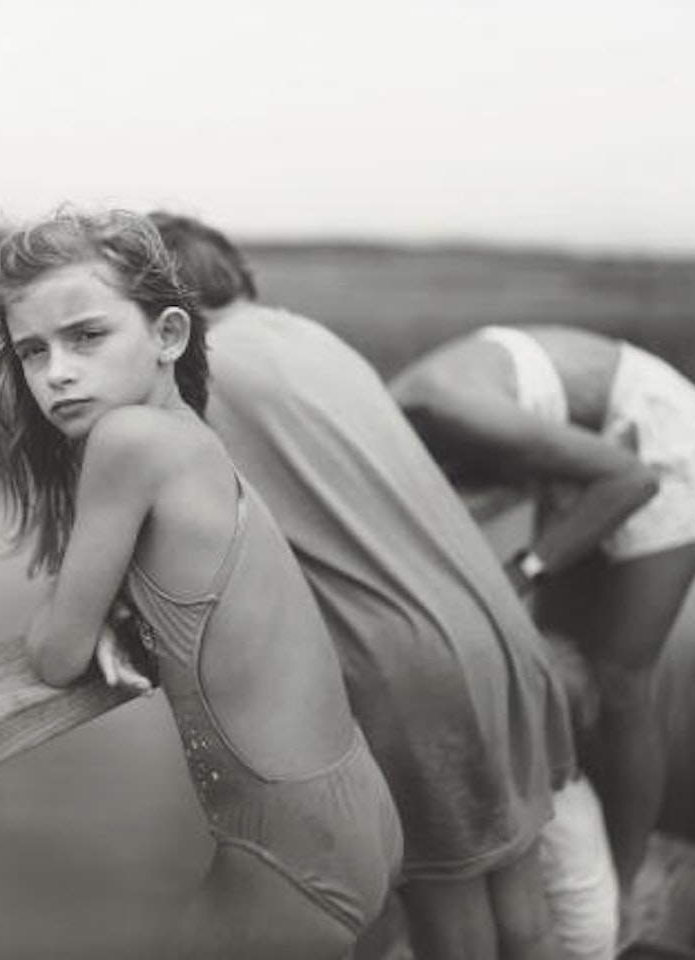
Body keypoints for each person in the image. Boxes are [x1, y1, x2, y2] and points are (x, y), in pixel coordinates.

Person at [139, 212, 587, 960]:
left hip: (407, 667)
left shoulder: (193, 374)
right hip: (499, 633)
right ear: (238, 274)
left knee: (455, 934)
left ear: (163, 310)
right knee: (523, 916)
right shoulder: (316, 338)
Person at [0, 207, 403, 960]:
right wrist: (110, 602)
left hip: (288, 852)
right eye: (32, 352)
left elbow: (55, 655)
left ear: (168, 335)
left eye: (86, 336)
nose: (57, 372)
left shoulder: (128, 440)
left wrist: (84, 610)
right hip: (350, 807)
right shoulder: (193, 439)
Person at [388, 324, 695, 926]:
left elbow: (633, 480)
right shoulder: (393, 423)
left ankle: (631, 889)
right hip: (588, 458)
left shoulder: (438, 404)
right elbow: (478, 496)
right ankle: (573, 864)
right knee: (555, 673)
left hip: (657, 444)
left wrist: (526, 569)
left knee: (618, 685)